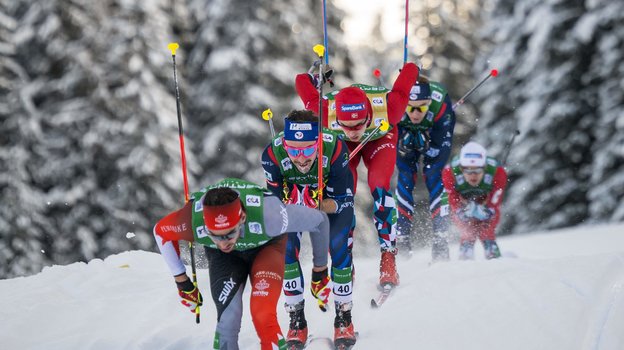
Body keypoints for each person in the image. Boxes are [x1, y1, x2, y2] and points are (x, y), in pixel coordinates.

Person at [152, 178, 330, 350]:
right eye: (214, 235)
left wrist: (320, 270)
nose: (223, 242)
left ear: (243, 217)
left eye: (229, 233)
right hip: (224, 259)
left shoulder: (270, 216)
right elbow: (160, 232)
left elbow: (320, 220)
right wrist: (182, 281)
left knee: (262, 314)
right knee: (228, 320)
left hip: (266, 247)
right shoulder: (190, 221)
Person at [295, 62, 419, 288]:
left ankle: (388, 258)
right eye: (346, 125)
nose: (353, 131)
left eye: (358, 124)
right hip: (343, 146)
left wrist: (411, 68)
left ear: (366, 116)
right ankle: (345, 261)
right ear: (338, 120)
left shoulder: (390, 108)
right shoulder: (324, 111)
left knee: (379, 186)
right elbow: (301, 82)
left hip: (379, 138)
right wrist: (313, 75)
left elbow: (404, 86)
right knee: (341, 196)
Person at [261, 109, 356, 348]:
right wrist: (292, 203)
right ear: (285, 145)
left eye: (307, 150)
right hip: (292, 207)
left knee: (338, 245)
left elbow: (342, 200)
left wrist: (316, 203)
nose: (301, 158)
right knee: (285, 249)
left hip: (330, 204)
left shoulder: (334, 148)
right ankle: (296, 321)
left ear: (318, 143)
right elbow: (274, 206)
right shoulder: (272, 153)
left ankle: (344, 319)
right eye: (293, 150)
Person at [394, 77, 456, 261]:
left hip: (434, 129)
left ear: (429, 102)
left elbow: (442, 144)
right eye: (410, 107)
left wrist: (427, 146)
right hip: (404, 129)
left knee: (433, 173)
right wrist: (402, 143)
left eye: (421, 107)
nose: (415, 113)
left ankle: (440, 239)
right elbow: (391, 138)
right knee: (405, 175)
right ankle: (402, 238)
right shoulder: (395, 106)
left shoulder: (440, 106)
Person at [441, 142, 508, 259]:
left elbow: (496, 198)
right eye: (468, 170)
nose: (473, 175)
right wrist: (459, 210)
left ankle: (494, 256)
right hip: (463, 201)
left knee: (487, 229)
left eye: (477, 170)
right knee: (467, 231)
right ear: (461, 169)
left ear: (485, 168)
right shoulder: (449, 173)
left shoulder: (498, 172)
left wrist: (489, 210)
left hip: (486, 200)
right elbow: (450, 197)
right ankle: (465, 258)